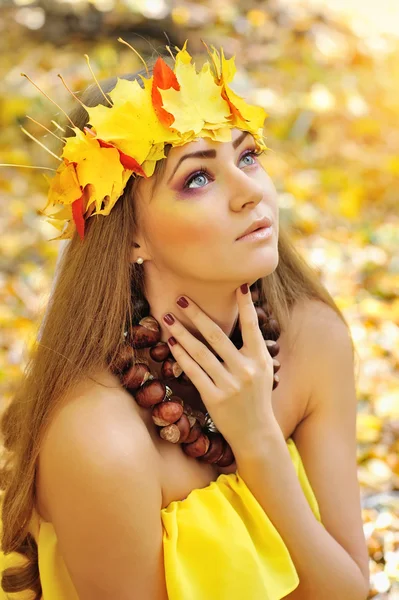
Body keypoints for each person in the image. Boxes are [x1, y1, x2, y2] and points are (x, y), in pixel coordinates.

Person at [0, 40, 370, 599]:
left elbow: (350, 591)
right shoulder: (99, 437)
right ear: (131, 236)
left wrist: (261, 448)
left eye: (247, 156)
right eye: (198, 178)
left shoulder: (312, 340)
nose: (252, 193)